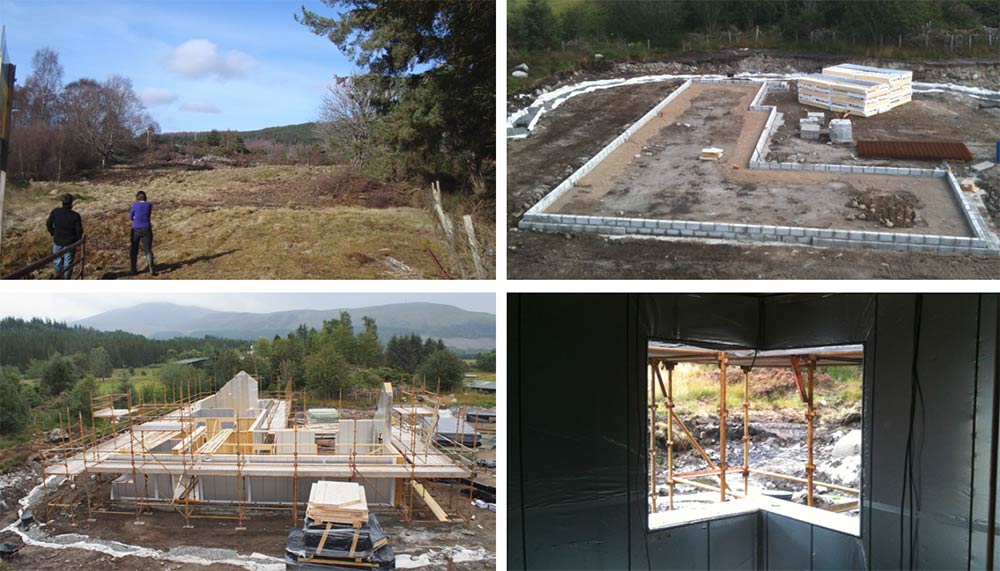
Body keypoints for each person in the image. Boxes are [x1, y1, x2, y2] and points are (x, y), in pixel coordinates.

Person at [45, 193, 83, 279]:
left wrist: (53, 233)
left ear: (62, 202)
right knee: (68, 264)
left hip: (57, 241)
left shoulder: (55, 211)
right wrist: (77, 241)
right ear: (71, 203)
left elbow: (48, 224)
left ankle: (57, 279)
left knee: (57, 262)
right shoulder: (75, 215)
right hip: (69, 243)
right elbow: (79, 231)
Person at [129, 190, 155, 275]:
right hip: (146, 228)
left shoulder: (134, 205)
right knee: (148, 249)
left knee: (134, 249)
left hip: (136, 228)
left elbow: (131, 217)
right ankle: (151, 266)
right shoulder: (149, 205)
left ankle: (133, 269)